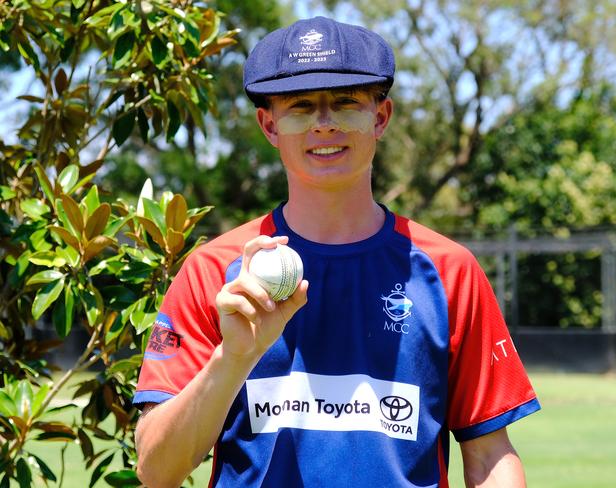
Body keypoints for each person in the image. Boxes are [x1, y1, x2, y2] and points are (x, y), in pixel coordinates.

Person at [134, 16, 540, 488]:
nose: (324, 125)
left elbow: (490, 454)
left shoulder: (449, 271)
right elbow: (156, 471)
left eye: (346, 104)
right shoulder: (216, 271)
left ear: (380, 117)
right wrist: (234, 359)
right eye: (301, 108)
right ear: (269, 125)